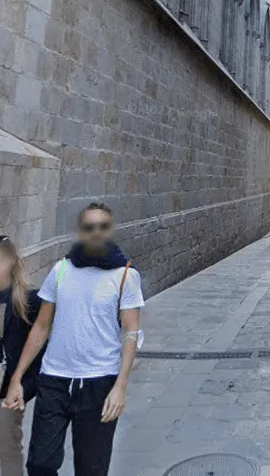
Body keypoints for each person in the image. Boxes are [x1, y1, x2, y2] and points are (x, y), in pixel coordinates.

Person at [4, 203, 143, 476]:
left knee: (91, 469)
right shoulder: (61, 270)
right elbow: (42, 326)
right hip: (54, 381)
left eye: (102, 226)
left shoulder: (126, 275)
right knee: (40, 465)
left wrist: (120, 387)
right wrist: (17, 378)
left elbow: (130, 333)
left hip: (99, 383)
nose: (96, 233)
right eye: (89, 227)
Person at [0, 236, 42, 476]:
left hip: (8, 395)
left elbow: (41, 354)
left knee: (8, 450)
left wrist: (25, 389)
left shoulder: (29, 302)